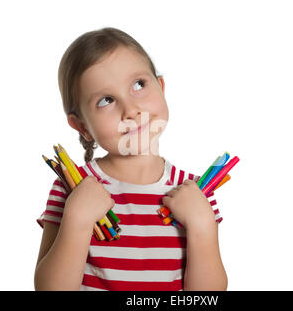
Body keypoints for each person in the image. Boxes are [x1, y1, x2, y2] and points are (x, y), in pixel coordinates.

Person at [34, 27, 228, 291]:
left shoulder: (197, 191)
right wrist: (77, 219)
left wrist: (203, 225)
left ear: (161, 87)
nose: (131, 110)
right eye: (106, 100)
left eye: (139, 85)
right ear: (82, 126)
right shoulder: (72, 187)